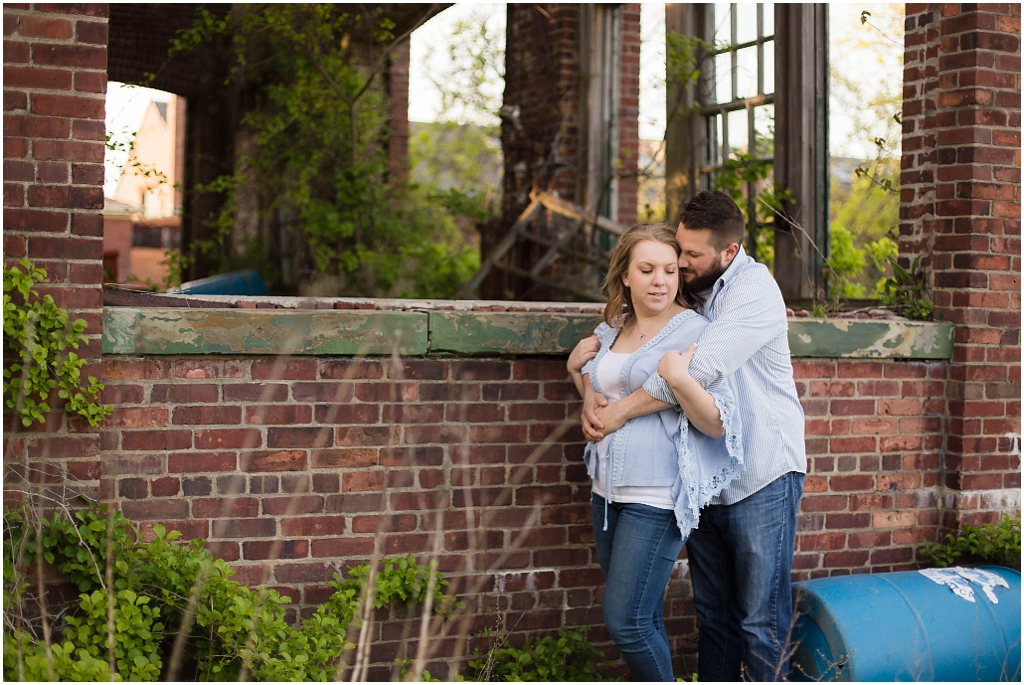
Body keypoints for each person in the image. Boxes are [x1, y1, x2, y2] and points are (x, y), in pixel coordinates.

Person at [578, 191, 806, 681]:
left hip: (760, 474)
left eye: (689, 256)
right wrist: (589, 371)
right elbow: (626, 332)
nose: (679, 264)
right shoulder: (698, 283)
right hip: (703, 479)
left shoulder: (753, 289)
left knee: (760, 620)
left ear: (728, 253)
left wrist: (617, 413)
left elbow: (695, 370)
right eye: (676, 252)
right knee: (714, 616)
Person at [566, 223, 744, 682]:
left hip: (657, 495)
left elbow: (720, 420)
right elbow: (602, 393)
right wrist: (578, 377)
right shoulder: (610, 330)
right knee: (641, 618)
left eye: (669, 269)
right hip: (605, 494)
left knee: (625, 621)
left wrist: (678, 383)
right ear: (625, 275)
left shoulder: (695, 333)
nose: (660, 280)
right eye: (646, 270)